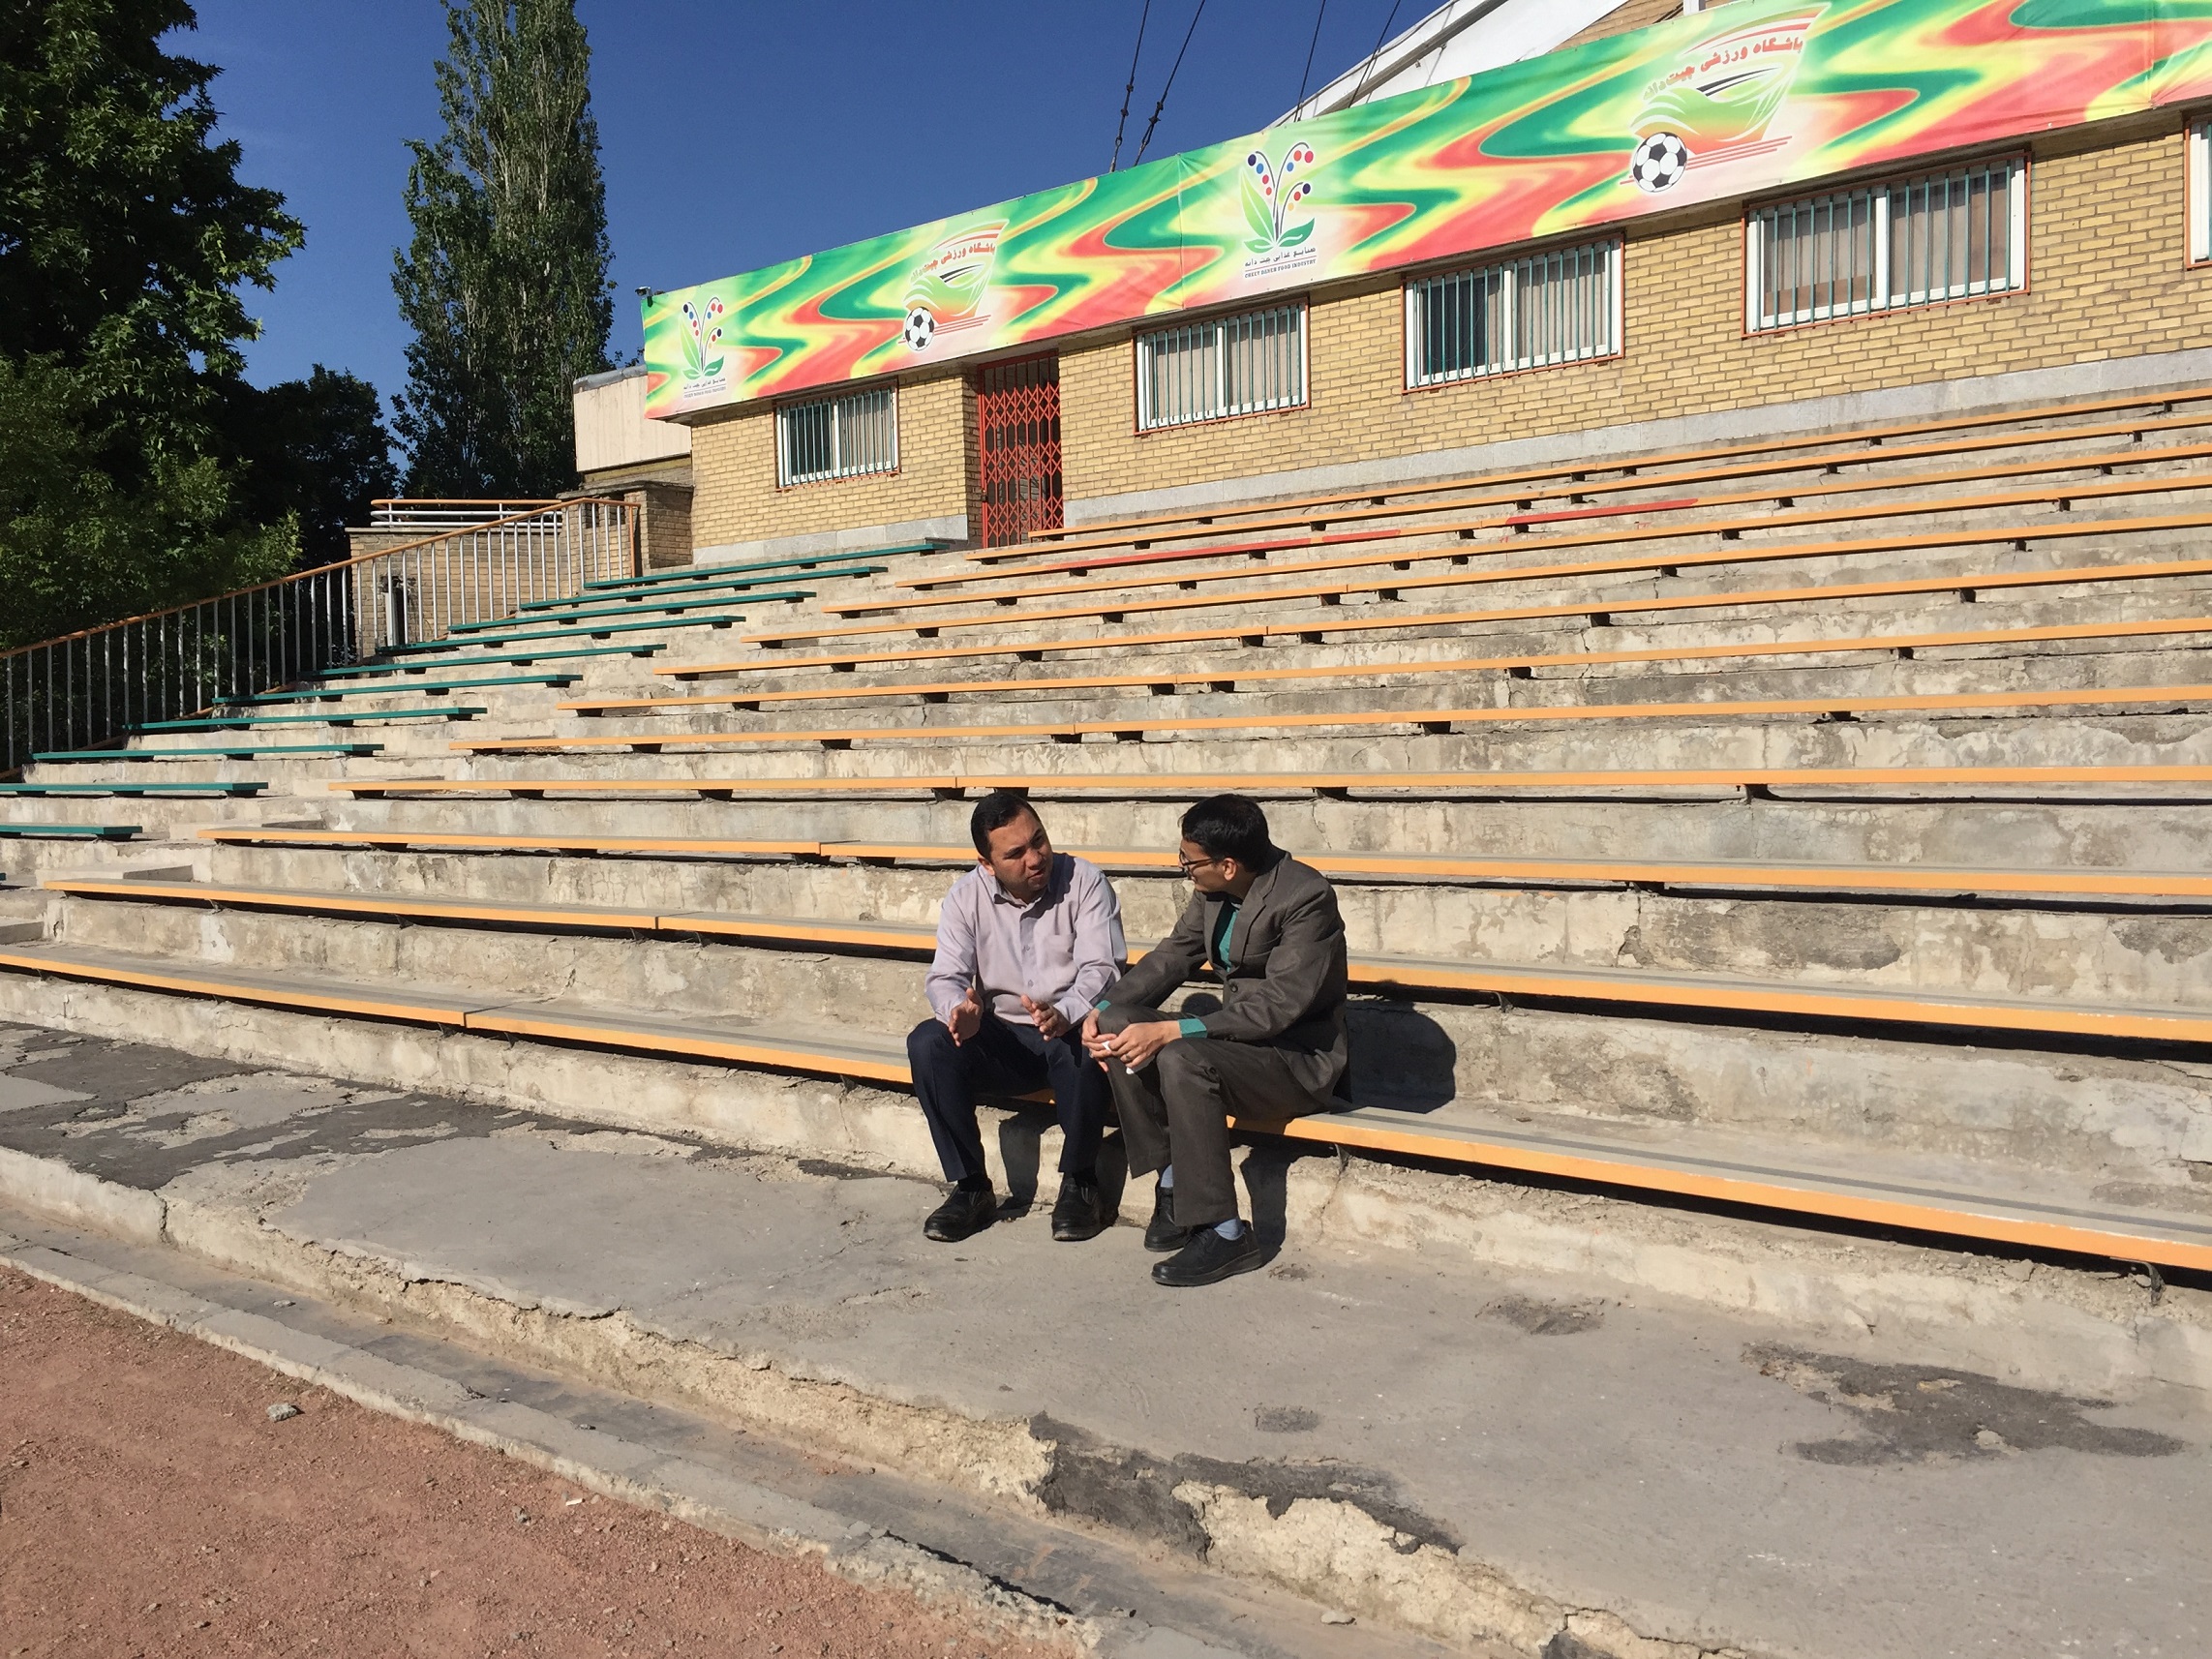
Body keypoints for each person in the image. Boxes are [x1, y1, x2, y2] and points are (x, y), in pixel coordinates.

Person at [1083, 795, 1348, 1288]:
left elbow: (1277, 1007)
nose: (1184, 869)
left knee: (1181, 1055)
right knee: (1120, 1022)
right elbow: (1172, 957)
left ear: (1228, 865)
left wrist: (1173, 1029)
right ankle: (1173, 1183)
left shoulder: (1306, 897)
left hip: (1292, 1060)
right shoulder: (1212, 891)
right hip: (1237, 1045)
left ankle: (1226, 1233)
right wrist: (1100, 1009)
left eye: (1190, 862)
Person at [908, 792, 1125, 1244]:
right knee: (928, 1043)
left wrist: (1065, 1012)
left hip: (1067, 1027)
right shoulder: (965, 896)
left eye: (1038, 840)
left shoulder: (1084, 881)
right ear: (987, 864)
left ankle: (1081, 1182)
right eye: (1015, 853)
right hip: (1003, 1036)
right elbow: (945, 976)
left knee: (1089, 1040)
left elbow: (1102, 969)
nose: (1035, 858)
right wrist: (959, 1011)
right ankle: (971, 1187)